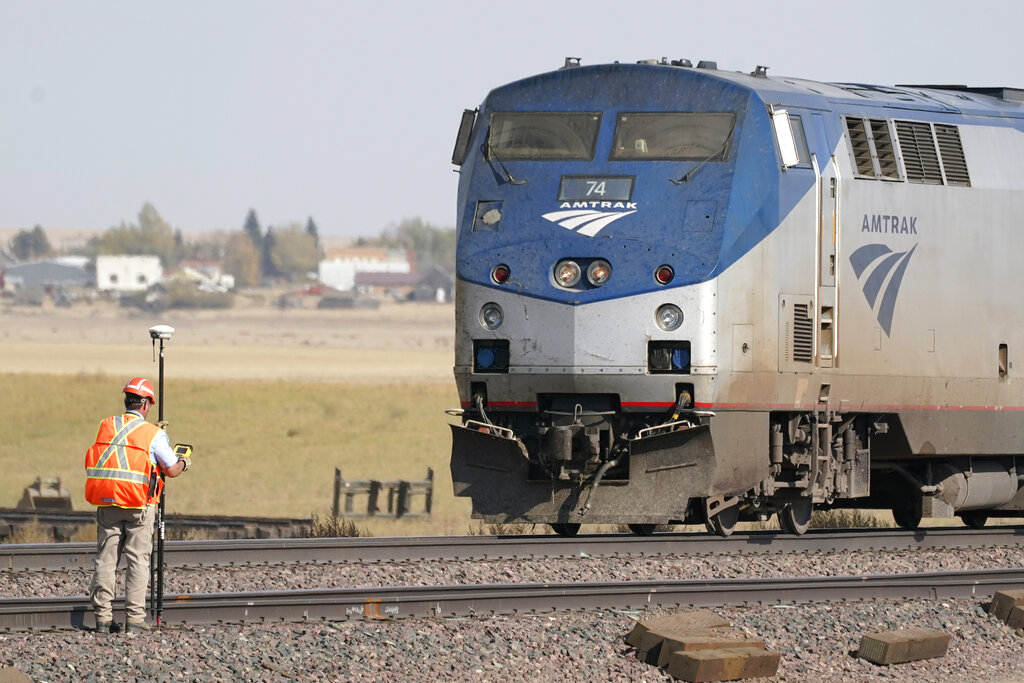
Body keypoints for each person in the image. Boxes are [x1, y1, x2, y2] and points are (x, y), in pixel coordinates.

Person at [84, 377, 190, 633]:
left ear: (127, 401)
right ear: (146, 404)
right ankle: (134, 619)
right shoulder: (154, 434)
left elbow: (125, 444)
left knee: (106, 559)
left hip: (107, 502)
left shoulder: (107, 425)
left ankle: (103, 618)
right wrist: (185, 461)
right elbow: (171, 469)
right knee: (137, 560)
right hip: (139, 506)